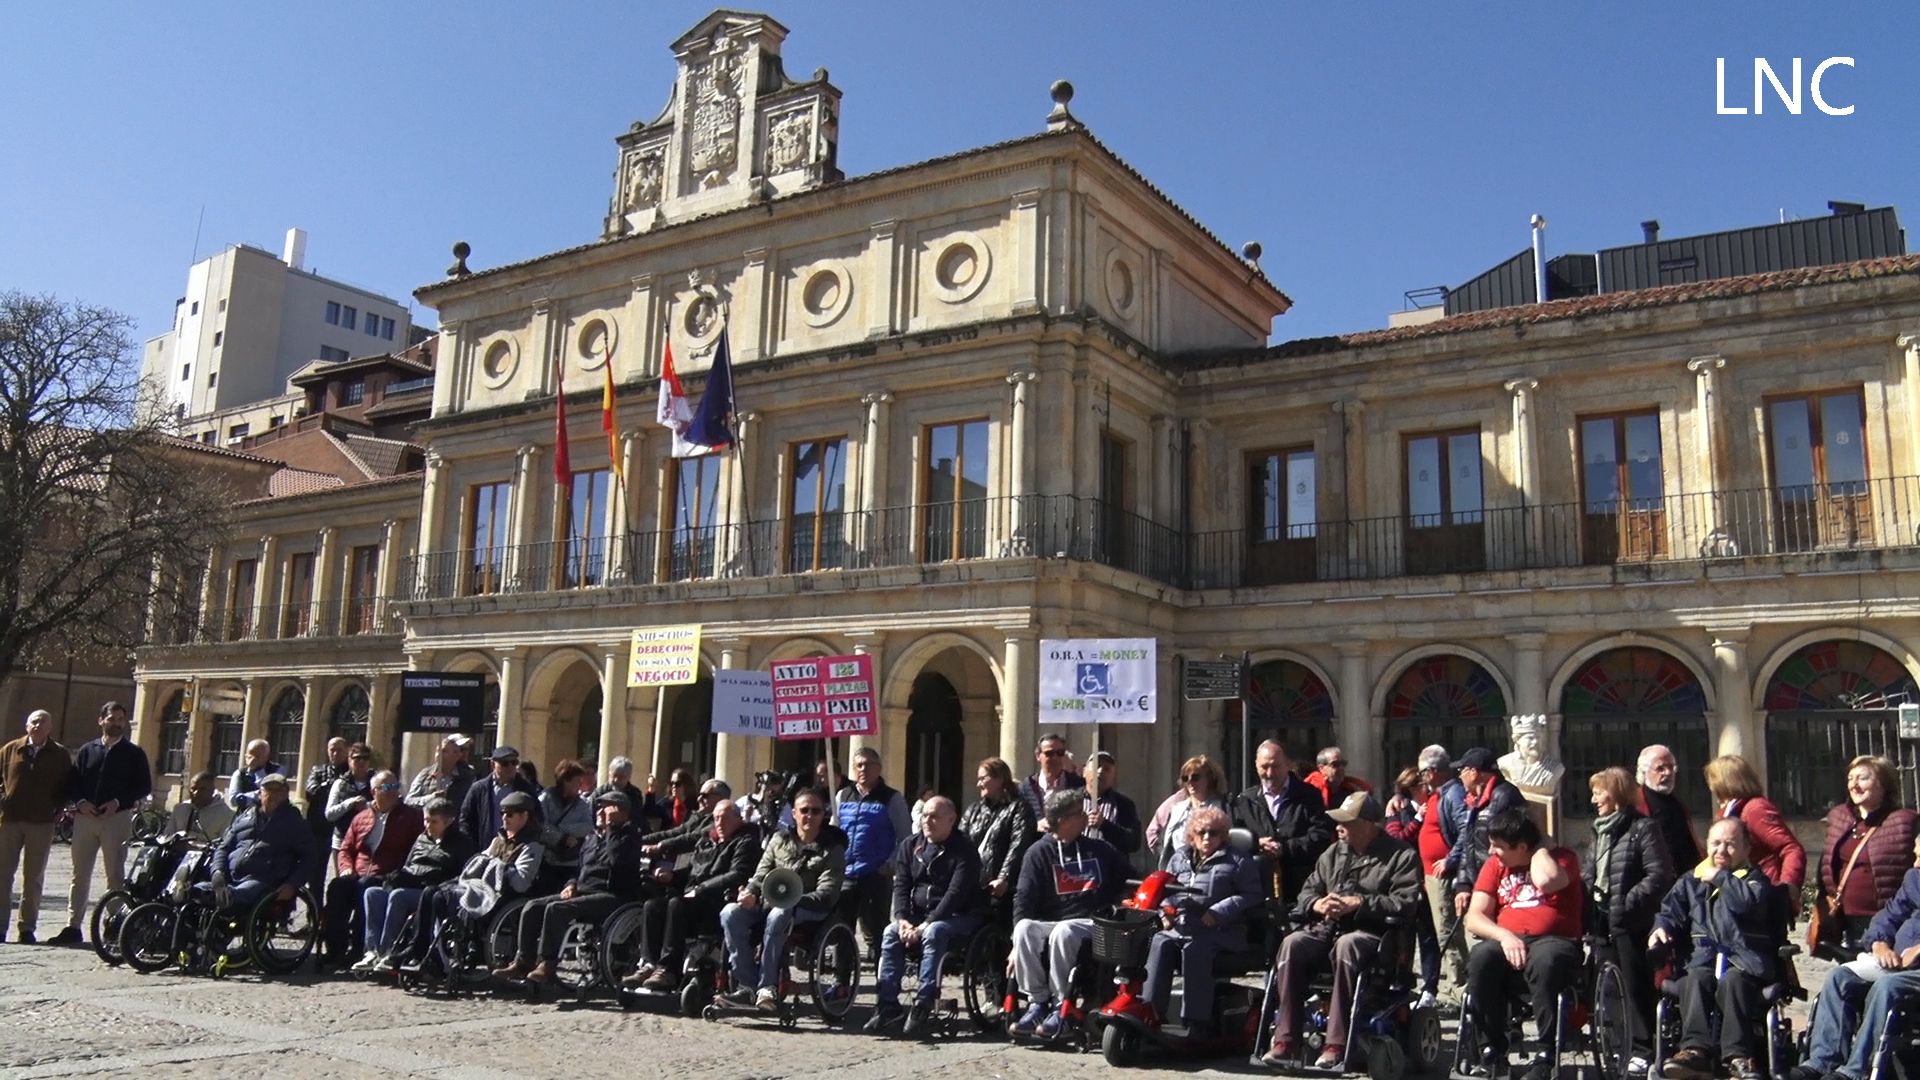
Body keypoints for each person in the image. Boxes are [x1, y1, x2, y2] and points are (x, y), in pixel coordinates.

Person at [1263, 792, 1422, 1068]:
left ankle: (1335, 1043)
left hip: (1374, 935)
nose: (1340, 827)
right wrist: (1318, 903)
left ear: (1369, 824)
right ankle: (1286, 1040)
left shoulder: (1401, 855)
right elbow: (1307, 892)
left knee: (1347, 945)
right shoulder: (1333, 853)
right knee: (1292, 943)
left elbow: (1404, 903)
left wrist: (1359, 903)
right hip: (1327, 927)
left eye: (1346, 822)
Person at [1652, 818, 1784, 1080]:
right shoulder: (1691, 881)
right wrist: (1661, 927)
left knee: (1732, 981)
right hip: (1703, 959)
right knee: (1694, 980)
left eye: (1730, 844)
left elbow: (1748, 904)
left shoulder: (1755, 880)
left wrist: (1722, 878)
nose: (1721, 850)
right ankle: (1694, 1051)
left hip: (1745, 960)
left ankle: (1737, 1056)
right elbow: (1670, 910)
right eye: (1715, 843)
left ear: (1746, 848)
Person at [1462, 808, 1584, 1080]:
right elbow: (1474, 917)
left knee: (1545, 962)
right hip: (1508, 939)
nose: (1492, 851)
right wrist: (1504, 936)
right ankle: (1491, 1049)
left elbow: (1548, 881)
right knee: (1481, 958)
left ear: (1523, 847)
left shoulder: (1563, 859)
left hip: (1556, 941)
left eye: (1499, 846)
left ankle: (1545, 1053)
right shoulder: (1495, 866)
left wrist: (1540, 850)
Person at [1789, 833, 1920, 1080]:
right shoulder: (1915, 879)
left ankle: (1855, 1071)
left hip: (1913, 972)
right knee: (1841, 977)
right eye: (1915, 855)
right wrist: (1880, 943)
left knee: (1886, 986)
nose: (1915, 863)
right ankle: (1822, 1061)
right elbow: (1888, 916)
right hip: (1898, 963)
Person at [1008, 789, 1133, 1039]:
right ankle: (1038, 1002)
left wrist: (1125, 901)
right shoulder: (1038, 853)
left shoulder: (1099, 850)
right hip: (1053, 920)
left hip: (1092, 921)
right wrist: (1014, 947)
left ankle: (1060, 1004)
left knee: (1065, 931)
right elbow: (1023, 899)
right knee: (1024, 929)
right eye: (1078, 813)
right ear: (1064, 820)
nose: (1085, 816)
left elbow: (1129, 877)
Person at [494, 789, 645, 983]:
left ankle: (548, 964)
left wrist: (613, 827)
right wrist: (572, 884)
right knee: (532, 907)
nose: (599, 813)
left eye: (606, 809)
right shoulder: (592, 838)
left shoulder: (628, 836)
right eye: (599, 808)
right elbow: (580, 869)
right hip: (584, 891)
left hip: (612, 895)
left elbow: (617, 860)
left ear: (621, 812)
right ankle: (523, 962)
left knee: (557, 909)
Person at [718, 786, 848, 1010]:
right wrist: (750, 892)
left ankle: (766, 986)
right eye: (804, 810)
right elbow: (760, 875)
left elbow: (826, 894)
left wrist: (791, 899)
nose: (809, 816)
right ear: (794, 813)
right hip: (769, 901)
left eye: (815, 811)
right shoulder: (779, 840)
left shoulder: (832, 850)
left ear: (823, 815)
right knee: (730, 913)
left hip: (809, 908)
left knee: (780, 913)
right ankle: (747, 985)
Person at [1141, 804, 1262, 1041]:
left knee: (1196, 949)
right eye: (1202, 833)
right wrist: (1165, 912)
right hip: (1181, 926)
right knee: (1158, 942)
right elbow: (1165, 889)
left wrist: (1218, 912)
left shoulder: (1238, 860)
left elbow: (1252, 895)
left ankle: (1196, 1022)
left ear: (1224, 835)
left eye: (1214, 833)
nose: (1207, 838)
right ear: (1192, 836)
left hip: (1221, 929)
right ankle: (1150, 1013)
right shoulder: (1179, 858)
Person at [867, 796, 984, 1035]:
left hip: (959, 916)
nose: (927, 821)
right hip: (918, 917)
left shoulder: (964, 850)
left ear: (951, 820)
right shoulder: (910, 846)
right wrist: (902, 920)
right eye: (924, 815)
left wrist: (924, 925)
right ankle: (887, 1005)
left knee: (935, 931)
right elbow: (901, 887)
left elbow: (955, 895)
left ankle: (924, 1001)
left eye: (934, 816)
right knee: (890, 933)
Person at [1585, 766, 1675, 1075]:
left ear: (1616, 793)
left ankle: (1642, 1047)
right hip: (1601, 921)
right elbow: (1591, 870)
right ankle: (1615, 1042)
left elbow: (1660, 873)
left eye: (1599, 791)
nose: (1594, 799)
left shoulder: (1642, 828)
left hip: (1630, 921)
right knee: (1606, 986)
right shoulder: (1599, 829)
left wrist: (1626, 901)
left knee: (1635, 986)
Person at [624, 796, 761, 993]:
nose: (719, 823)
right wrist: (671, 876)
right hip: (692, 898)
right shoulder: (707, 840)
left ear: (738, 820)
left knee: (675, 904)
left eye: (725, 818)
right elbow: (693, 870)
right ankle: (649, 964)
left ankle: (668, 969)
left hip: (716, 901)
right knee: (652, 906)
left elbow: (737, 874)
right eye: (716, 818)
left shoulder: (745, 843)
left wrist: (702, 889)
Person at [397, 790, 543, 972]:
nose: (504, 818)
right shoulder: (500, 840)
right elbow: (480, 860)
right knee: (431, 892)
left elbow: (521, 882)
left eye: (510, 814)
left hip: (498, 895)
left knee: (439, 898)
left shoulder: (531, 846)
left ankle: (440, 953)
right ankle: (419, 948)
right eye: (502, 813)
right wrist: (486, 863)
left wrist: (499, 867)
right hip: (479, 887)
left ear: (524, 816)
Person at [55, 701, 151, 945]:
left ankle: (114, 925)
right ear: (101, 720)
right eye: (111, 718)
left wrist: (118, 802)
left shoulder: (134, 753)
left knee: (115, 875)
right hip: (85, 819)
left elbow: (143, 785)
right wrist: (81, 801)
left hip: (116, 819)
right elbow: (73, 781)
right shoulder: (88, 750)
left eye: (120, 719)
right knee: (79, 874)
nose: (116, 723)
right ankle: (73, 926)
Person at [353, 796, 473, 973]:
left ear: (447, 822)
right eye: (426, 820)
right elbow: (408, 865)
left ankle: (389, 950)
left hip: (431, 891)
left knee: (398, 896)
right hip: (410, 882)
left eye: (434, 822)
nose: (428, 826)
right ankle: (372, 951)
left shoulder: (461, 843)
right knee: (372, 893)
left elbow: (460, 876)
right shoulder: (422, 838)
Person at [1815, 755, 1916, 956]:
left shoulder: (1905, 822)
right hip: (1847, 920)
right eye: (1850, 778)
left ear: (1883, 784)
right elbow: (1826, 864)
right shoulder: (1840, 819)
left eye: (1862, 778)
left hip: (1888, 920)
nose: (1854, 785)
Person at [323, 770, 423, 967]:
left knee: (367, 888)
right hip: (357, 872)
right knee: (336, 888)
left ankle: (361, 949)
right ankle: (335, 949)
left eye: (395, 787)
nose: (393, 792)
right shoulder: (362, 817)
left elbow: (419, 849)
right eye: (386, 788)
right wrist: (345, 867)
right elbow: (346, 848)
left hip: (387, 874)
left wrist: (401, 872)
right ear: (373, 791)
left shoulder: (411, 817)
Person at [1229, 740, 1332, 907]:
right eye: (1264, 767)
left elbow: (1320, 836)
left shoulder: (1309, 796)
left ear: (1288, 765)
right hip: (1257, 890)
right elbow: (1233, 839)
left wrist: (1284, 848)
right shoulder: (1245, 800)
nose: (1269, 773)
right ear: (1256, 765)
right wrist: (1256, 844)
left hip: (1301, 888)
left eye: (1275, 766)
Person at [0, 709, 71, 944]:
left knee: (34, 877)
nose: (38, 725)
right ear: (26, 725)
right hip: (10, 820)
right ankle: (0, 926)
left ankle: (27, 927)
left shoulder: (59, 754)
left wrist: (59, 806)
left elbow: (66, 784)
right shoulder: (11, 749)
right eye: (34, 721)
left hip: (41, 822)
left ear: (50, 728)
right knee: (3, 874)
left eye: (42, 722)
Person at [835, 747, 911, 959]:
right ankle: (842, 982)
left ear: (878, 768)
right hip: (847, 873)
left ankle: (882, 980)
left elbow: (905, 837)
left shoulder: (892, 798)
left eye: (868, 765)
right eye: (859, 765)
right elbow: (835, 831)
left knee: (877, 931)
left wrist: (891, 863)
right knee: (842, 929)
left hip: (876, 874)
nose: (863, 769)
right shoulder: (843, 795)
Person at [1703, 755, 1806, 910]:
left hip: (1761, 893)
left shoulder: (1755, 809)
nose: (1711, 788)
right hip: (1736, 891)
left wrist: (1787, 887)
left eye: (1713, 782)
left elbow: (1791, 849)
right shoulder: (1729, 810)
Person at [207, 773, 318, 914]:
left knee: (236, 894)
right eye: (268, 790)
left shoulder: (296, 824)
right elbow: (223, 847)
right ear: (260, 794)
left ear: (286, 794)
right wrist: (217, 871)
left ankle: (225, 896)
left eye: (278, 790)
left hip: (263, 879)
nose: (273, 794)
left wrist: (292, 884)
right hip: (230, 875)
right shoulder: (245, 817)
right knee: (200, 892)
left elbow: (310, 858)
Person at [1382, 763, 1442, 1009]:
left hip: (1428, 878)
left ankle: (1430, 986)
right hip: (1404, 879)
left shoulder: (1436, 802)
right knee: (1403, 935)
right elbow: (1397, 839)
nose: (1423, 787)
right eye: (1417, 785)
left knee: (1429, 936)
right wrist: (1418, 818)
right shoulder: (1398, 808)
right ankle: (1402, 983)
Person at [1447, 747, 1525, 923]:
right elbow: (1469, 844)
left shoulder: (1505, 795)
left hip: (1502, 885)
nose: (1459, 776)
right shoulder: (1476, 800)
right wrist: (1463, 884)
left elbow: (1511, 844)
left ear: (1474, 772)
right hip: (1482, 883)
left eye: (1462, 771)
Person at [1417, 744, 1470, 997]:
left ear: (1432, 771)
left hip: (1444, 877)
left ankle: (1458, 988)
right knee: (1442, 931)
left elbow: (1465, 829)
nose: (1421, 779)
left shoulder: (1453, 794)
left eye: (1422, 773)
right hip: (1432, 876)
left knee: (1447, 932)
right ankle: (1454, 985)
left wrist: (1450, 859)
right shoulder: (1439, 794)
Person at [959, 756, 1036, 912]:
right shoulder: (973, 810)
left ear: (1000, 779)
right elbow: (960, 842)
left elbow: (1018, 845)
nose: (978, 784)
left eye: (983, 779)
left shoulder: (1019, 808)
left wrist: (1004, 877)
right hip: (973, 885)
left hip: (1001, 889)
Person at [1153, 754, 1231, 871]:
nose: (1190, 782)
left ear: (1209, 779)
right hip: (1178, 868)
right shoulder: (1177, 809)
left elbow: (1229, 839)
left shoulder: (1223, 807)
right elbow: (1163, 841)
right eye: (1185, 778)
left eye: (1195, 777)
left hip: (1213, 867)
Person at [458, 745, 541, 845]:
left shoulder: (526, 789)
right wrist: (470, 845)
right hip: (485, 849)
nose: (510, 767)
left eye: (514, 763)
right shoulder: (479, 789)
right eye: (504, 763)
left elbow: (538, 817)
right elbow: (465, 820)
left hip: (516, 848)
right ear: (493, 765)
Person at [1637, 744, 1702, 867]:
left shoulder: (1677, 804)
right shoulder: (1635, 803)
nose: (1668, 773)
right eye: (1660, 768)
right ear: (1644, 771)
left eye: (1671, 767)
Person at [537, 759, 594, 893]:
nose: (580, 786)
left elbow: (588, 826)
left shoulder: (582, 804)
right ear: (565, 781)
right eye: (577, 782)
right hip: (547, 860)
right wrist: (562, 837)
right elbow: (540, 825)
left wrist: (564, 829)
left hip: (571, 862)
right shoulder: (546, 798)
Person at [303, 737, 351, 895]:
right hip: (319, 829)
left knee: (343, 876)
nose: (335, 753)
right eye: (332, 749)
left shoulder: (351, 774)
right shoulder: (318, 770)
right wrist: (335, 786)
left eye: (339, 750)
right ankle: (315, 914)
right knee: (316, 877)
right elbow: (311, 792)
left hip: (342, 830)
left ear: (347, 751)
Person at [642, 778, 729, 853]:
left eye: (705, 796)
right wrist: (639, 839)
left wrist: (660, 846)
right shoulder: (697, 816)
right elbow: (675, 832)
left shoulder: (721, 821)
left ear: (720, 798)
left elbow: (692, 838)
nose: (699, 799)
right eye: (700, 795)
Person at [1082, 751, 1142, 856]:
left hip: (1110, 867)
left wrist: (1105, 825)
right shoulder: (1072, 800)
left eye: (1107, 769)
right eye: (1096, 766)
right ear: (1084, 771)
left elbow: (1133, 843)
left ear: (1113, 776)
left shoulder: (1124, 804)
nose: (1100, 771)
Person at [1020, 733, 1085, 828]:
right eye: (1049, 753)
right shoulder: (1025, 789)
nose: (1055, 758)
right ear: (1038, 755)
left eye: (1060, 753)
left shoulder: (1079, 785)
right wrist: (1036, 826)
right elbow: (1018, 823)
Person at [324, 742, 376, 859]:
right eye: (357, 758)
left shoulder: (377, 783)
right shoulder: (340, 784)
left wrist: (367, 806)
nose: (361, 762)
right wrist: (349, 804)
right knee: (343, 877)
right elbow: (329, 814)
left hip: (369, 841)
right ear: (349, 760)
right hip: (342, 841)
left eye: (365, 758)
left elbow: (387, 806)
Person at [404, 734, 476, 812]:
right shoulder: (425, 774)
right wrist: (430, 798)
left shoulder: (468, 776)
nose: (464, 753)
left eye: (466, 749)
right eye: (440, 750)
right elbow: (409, 801)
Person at [169, 770, 235, 842]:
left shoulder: (226, 815)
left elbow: (223, 845)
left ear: (212, 790)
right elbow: (167, 835)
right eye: (193, 788)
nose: (196, 793)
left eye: (202, 789)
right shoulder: (179, 809)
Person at [227, 738, 286, 811]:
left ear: (266, 757)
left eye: (257, 756)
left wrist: (247, 798)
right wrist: (259, 794)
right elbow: (234, 800)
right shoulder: (239, 774)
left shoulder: (277, 770)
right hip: (247, 816)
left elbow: (274, 794)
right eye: (249, 756)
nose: (252, 760)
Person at [1306, 746, 1373, 807]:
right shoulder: (1311, 791)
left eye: (1343, 763)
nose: (1341, 768)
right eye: (1335, 764)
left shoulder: (1352, 789)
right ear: (1321, 768)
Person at [592, 756, 647, 825]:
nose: (616, 780)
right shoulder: (599, 793)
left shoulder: (635, 793)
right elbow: (591, 816)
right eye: (614, 775)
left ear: (629, 777)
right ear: (609, 774)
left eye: (621, 777)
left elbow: (637, 817)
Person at [741, 770, 788, 835]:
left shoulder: (783, 805)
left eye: (773, 792)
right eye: (766, 788)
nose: (768, 793)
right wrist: (746, 817)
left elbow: (786, 828)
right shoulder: (745, 801)